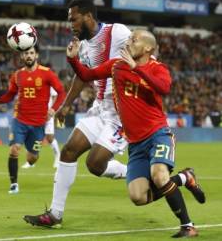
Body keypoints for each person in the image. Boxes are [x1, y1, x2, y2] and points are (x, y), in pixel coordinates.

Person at [64, 29, 205, 238]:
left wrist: (137, 69)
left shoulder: (158, 68)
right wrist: (73, 59)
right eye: (129, 38)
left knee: (159, 176)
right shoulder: (117, 65)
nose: (128, 41)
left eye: (134, 39)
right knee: (138, 196)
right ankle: (185, 178)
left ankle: (188, 226)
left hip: (158, 133)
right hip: (136, 143)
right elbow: (87, 75)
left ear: (148, 47)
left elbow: (164, 88)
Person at [24, 0, 130, 228]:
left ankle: (135, 172)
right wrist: (65, 105)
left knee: (95, 165)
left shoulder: (118, 32)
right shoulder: (82, 45)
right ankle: (55, 214)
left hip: (122, 115)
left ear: (88, 16)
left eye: (74, 19)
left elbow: (144, 54)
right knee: (69, 151)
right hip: (100, 110)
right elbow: (83, 75)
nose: (70, 24)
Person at [0, 44, 66, 194]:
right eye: (26, 54)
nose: (29, 56)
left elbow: (61, 92)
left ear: (36, 55)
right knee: (14, 149)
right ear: (22, 57)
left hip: (38, 125)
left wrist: (53, 109)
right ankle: (14, 184)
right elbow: (10, 95)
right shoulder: (17, 75)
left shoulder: (47, 73)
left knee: (33, 157)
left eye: (31, 53)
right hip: (20, 120)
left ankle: (32, 156)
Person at [22, 87, 61, 169]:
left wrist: (52, 109)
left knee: (50, 137)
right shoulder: (31, 83)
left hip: (47, 114)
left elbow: (55, 96)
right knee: (33, 137)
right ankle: (30, 162)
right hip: (35, 114)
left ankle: (58, 157)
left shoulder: (47, 82)